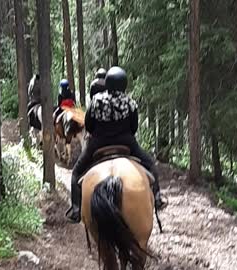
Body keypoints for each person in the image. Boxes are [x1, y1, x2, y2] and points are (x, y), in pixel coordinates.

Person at [65, 66, 166, 223]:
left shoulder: (96, 101)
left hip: (98, 143)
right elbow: (134, 127)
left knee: (76, 173)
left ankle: (76, 210)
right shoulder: (130, 102)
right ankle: (158, 198)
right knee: (150, 164)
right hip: (126, 142)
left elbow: (89, 126)